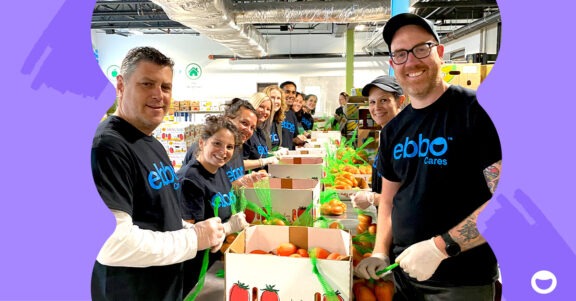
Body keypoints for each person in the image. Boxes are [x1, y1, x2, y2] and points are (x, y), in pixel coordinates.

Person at [354, 13, 502, 301]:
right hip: (401, 277)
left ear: (440, 53)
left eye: (421, 49)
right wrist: (380, 251)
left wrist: (441, 247)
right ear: (393, 63)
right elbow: (387, 201)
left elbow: (508, 201)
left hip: (460, 282)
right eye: (400, 54)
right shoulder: (395, 129)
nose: (411, 61)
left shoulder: (479, 112)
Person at [90, 46, 225, 301]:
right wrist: (194, 239)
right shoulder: (108, 146)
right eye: (146, 84)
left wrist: (197, 231)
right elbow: (112, 244)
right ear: (121, 85)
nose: (158, 95)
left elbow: (157, 215)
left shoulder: (151, 142)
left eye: (165, 87)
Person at [178, 115, 251, 294]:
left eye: (229, 146)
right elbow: (188, 234)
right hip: (197, 272)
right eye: (217, 143)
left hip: (218, 261)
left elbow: (220, 196)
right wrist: (227, 228)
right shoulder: (190, 179)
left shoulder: (220, 169)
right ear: (202, 143)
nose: (223, 151)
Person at [350, 75, 405, 210]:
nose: (377, 107)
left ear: (400, 101)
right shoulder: (387, 135)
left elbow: (411, 197)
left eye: (384, 100)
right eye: (372, 102)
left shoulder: (405, 140)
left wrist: (373, 198)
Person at [243, 92, 278, 171]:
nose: (265, 112)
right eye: (261, 107)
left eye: (268, 109)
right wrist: (263, 161)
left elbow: (260, 154)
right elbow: (239, 164)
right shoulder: (246, 132)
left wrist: (273, 156)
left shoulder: (260, 132)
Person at [262, 85, 288, 152]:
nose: (276, 101)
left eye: (278, 98)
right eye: (272, 98)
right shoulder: (260, 122)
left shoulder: (277, 122)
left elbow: (274, 146)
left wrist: (279, 150)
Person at [280, 81, 302, 150]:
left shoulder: (292, 115)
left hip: (289, 154)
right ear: (281, 93)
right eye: (287, 92)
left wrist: (302, 140)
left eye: (293, 92)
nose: (291, 95)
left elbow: (293, 138)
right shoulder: (276, 113)